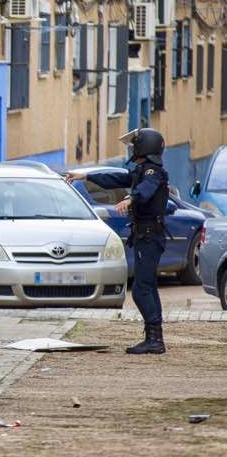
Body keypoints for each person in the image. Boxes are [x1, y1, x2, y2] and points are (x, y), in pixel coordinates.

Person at [66, 129, 169, 354]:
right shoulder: (141, 170)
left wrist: (131, 198)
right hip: (145, 236)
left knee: (142, 289)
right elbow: (118, 178)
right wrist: (86, 176)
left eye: (135, 145)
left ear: (144, 148)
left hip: (150, 236)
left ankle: (155, 339)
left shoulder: (152, 172)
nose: (133, 148)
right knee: (147, 287)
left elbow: (146, 190)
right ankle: (154, 338)